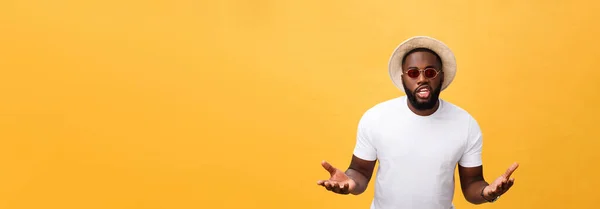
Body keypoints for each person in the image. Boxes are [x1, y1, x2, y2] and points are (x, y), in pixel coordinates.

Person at [316, 36, 519, 209]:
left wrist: (489, 192)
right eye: (413, 73)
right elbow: (360, 172)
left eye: (430, 72)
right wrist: (349, 183)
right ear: (403, 78)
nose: (422, 78)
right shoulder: (375, 118)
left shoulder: (465, 124)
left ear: (441, 77)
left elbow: (472, 185)